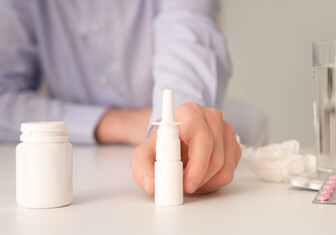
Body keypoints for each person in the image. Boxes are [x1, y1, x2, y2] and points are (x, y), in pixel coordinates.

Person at [0, 0, 241, 194]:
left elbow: (187, 30)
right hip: (74, 162)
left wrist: (178, 119)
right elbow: (4, 97)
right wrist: (115, 123)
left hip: (160, 142)